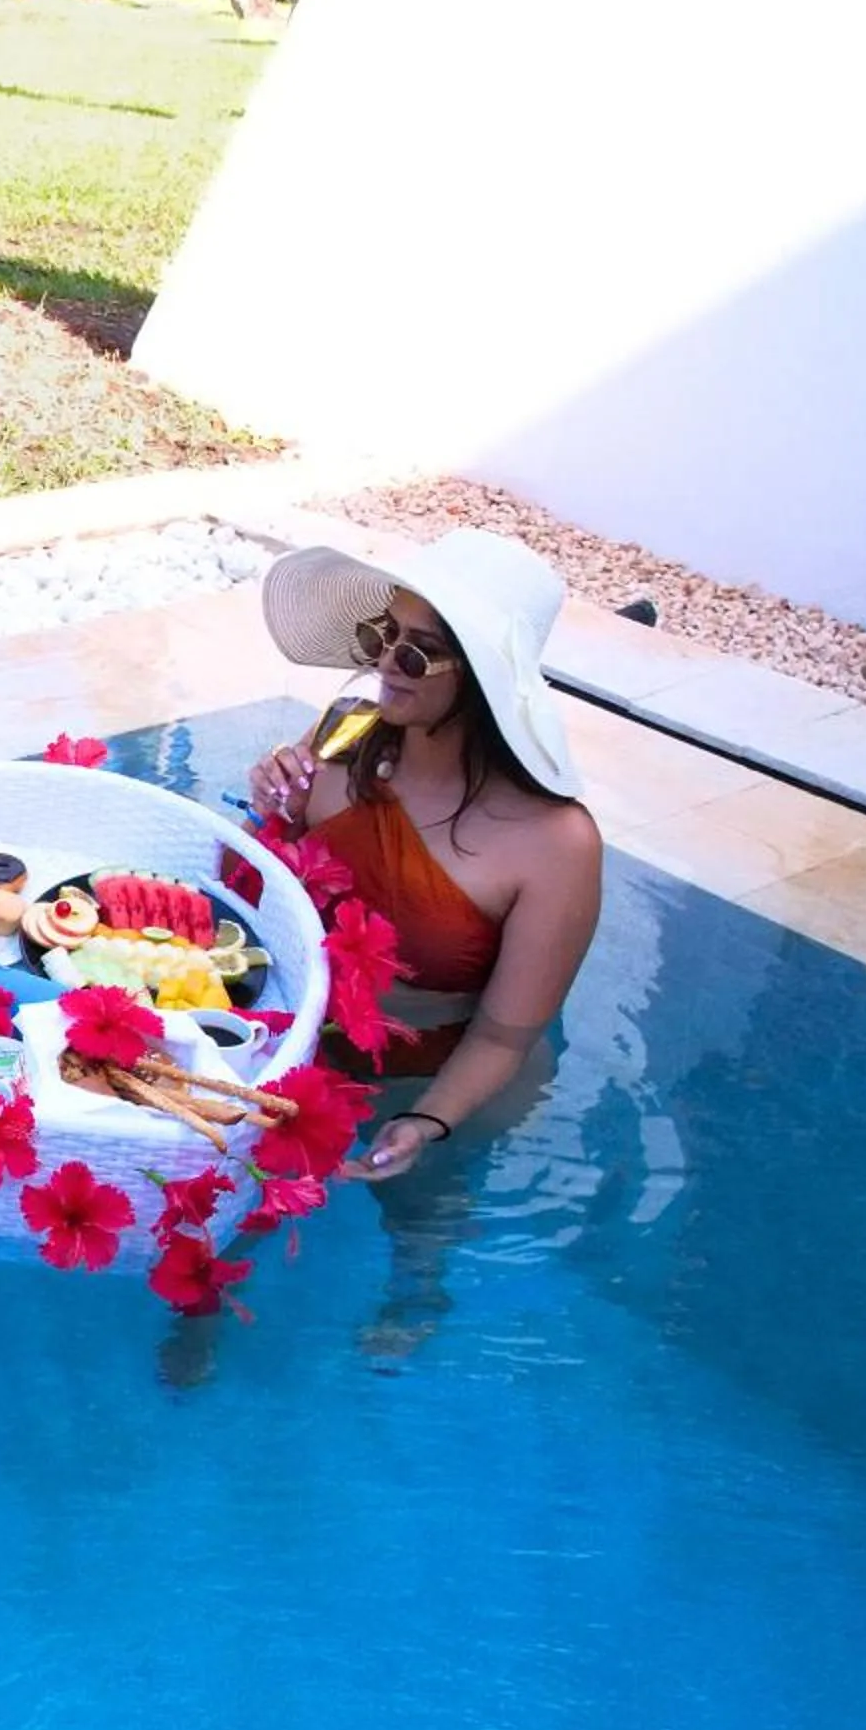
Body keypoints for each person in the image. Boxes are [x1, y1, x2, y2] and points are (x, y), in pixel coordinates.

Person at [244, 527, 605, 1358]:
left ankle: (420, 1288)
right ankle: (207, 1310)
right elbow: (270, 886)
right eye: (382, 637)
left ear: (481, 680)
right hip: (307, 1037)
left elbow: (505, 1034)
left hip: (442, 1065)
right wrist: (269, 798)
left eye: (417, 655)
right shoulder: (345, 732)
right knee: (245, 1202)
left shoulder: (554, 845)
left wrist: (431, 1121)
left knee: (423, 1210)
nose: (382, 666)